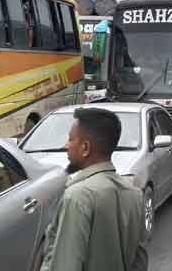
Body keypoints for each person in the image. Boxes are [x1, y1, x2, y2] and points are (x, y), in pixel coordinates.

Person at [41, 108, 147, 271]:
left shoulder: (78, 196)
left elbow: (66, 264)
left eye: (71, 139)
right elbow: (140, 261)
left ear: (85, 148)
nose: (66, 145)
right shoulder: (135, 194)